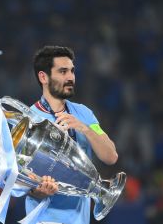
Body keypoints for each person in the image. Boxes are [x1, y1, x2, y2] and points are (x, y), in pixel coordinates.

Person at [26, 45, 118, 224]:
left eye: (72, 71)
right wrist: (39, 190)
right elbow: (18, 180)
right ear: (43, 77)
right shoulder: (28, 119)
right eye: (62, 71)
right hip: (44, 219)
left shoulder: (84, 114)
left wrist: (84, 128)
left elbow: (111, 156)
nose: (70, 77)